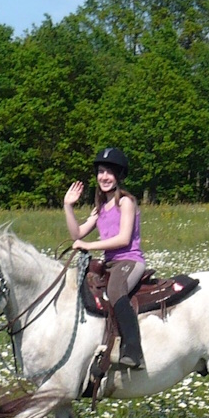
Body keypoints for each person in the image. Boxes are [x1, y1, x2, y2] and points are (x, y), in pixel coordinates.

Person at [64, 147, 145, 369]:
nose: (104, 177)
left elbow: (123, 239)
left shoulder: (125, 202)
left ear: (118, 175)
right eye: (101, 172)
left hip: (129, 260)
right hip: (110, 263)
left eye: (110, 172)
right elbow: (77, 234)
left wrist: (89, 245)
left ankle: (133, 350)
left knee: (115, 290)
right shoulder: (100, 207)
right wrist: (68, 207)